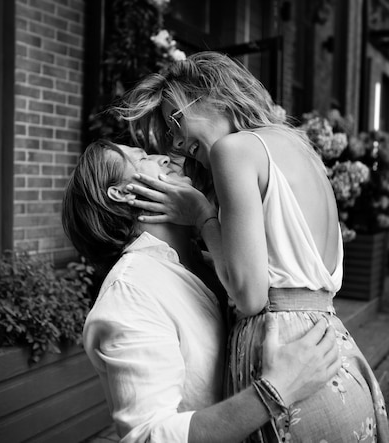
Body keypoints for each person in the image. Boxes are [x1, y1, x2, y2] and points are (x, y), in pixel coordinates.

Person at [116, 51, 389, 442]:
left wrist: (202, 216)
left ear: (213, 95)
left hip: (285, 363)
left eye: (175, 119)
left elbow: (250, 297)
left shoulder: (235, 151)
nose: (176, 141)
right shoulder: (298, 148)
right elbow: (280, 265)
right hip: (336, 354)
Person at [61, 139, 340, 443]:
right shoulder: (131, 293)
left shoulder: (212, 262)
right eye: (142, 159)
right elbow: (148, 436)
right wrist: (277, 389)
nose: (165, 158)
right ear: (123, 192)